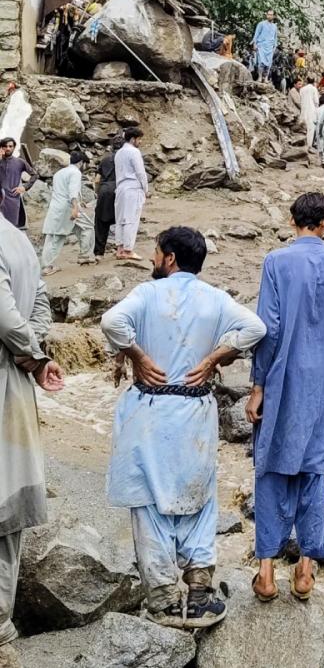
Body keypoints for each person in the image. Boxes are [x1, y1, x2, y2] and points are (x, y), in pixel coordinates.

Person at [101, 227, 265, 628]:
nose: (153, 259)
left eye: (156, 253)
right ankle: (200, 590)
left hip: (151, 409)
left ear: (170, 258)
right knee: (200, 497)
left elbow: (112, 321)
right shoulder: (215, 298)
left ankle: (163, 601)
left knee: (150, 502)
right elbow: (256, 328)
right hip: (195, 410)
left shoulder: (146, 294)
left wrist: (135, 353)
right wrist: (215, 358)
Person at [246, 193, 324, 603]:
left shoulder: (276, 262)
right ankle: (305, 571)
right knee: (319, 469)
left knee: (273, 465)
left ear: (292, 220)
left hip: (284, 380)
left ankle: (265, 573)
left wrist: (258, 384)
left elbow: (269, 328)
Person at [0, 214, 64, 658]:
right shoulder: (18, 238)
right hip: (17, 386)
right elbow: (39, 305)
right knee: (9, 509)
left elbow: (4, 318)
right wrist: (34, 353)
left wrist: (32, 353)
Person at [40, 151, 96, 271]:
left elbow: (63, 190)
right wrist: (75, 207)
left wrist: (78, 202)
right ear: (81, 163)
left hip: (56, 206)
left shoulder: (59, 173)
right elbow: (72, 191)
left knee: (54, 234)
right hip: (68, 208)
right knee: (59, 236)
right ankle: (48, 267)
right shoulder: (75, 172)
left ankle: (84, 255)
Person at [115, 127, 149, 260]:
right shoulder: (134, 152)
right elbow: (140, 172)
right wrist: (146, 189)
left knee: (120, 219)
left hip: (120, 187)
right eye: (139, 139)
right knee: (131, 219)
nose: (140, 142)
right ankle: (128, 250)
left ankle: (120, 248)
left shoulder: (119, 153)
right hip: (132, 187)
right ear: (133, 139)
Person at [93, 135, 121, 257]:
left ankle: (99, 252)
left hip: (104, 190)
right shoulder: (124, 158)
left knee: (100, 222)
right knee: (121, 220)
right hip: (120, 189)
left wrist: (97, 192)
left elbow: (97, 179)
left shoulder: (105, 159)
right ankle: (120, 249)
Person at [0, 137, 32, 230]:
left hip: (13, 199)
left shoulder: (20, 162)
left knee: (12, 228)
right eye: (5, 146)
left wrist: (25, 187)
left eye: (10, 146)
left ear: (14, 147)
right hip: (0, 198)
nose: (8, 148)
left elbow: (35, 175)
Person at [250, 9, 278, 83]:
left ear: (274, 16)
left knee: (268, 64)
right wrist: (254, 44)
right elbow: (256, 34)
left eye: (271, 15)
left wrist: (274, 46)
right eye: (268, 14)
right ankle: (259, 77)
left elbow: (275, 37)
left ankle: (265, 78)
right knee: (261, 62)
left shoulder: (274, 26)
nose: (269, 16)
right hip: (261, 45)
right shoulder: (261, 24)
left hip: (270, 47)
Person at [299, 77, 319, 150]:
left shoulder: (302, 89)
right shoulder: (314, 89)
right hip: (311, 110)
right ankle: (309, 145)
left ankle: (302, 144)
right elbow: (316, 101)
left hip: (303, 109)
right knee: (311, 129)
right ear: (313, 81)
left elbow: (300, 99)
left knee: (303, 127)